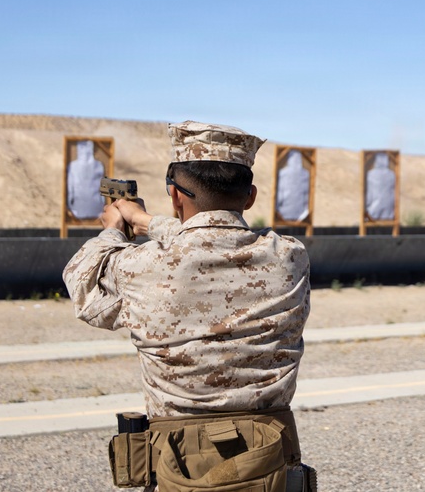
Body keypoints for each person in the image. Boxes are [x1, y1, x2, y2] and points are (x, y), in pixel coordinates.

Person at [63, 121, 314, 491]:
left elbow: (84, 289)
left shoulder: (141, 265)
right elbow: (215, 235)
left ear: (175, 196)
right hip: (272, 459)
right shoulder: (289, 257)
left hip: (177, 462)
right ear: (250, 196)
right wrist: (146, 221)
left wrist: (115, 229)